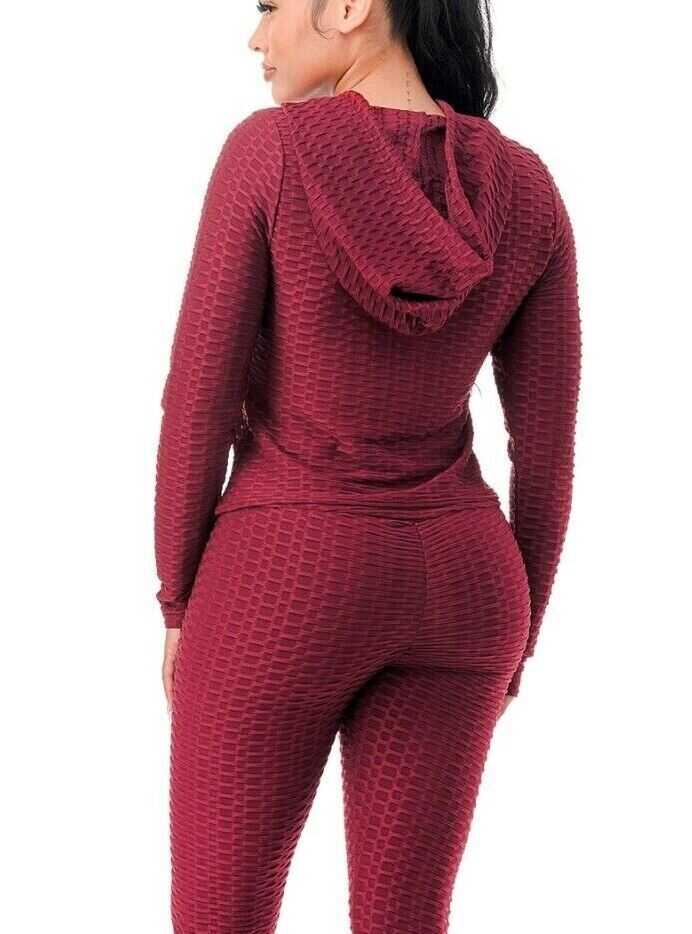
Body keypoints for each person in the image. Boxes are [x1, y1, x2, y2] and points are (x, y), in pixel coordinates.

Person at [153, 0, 582, 930]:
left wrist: (179, 602)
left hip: (284, 579)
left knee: (220, 916)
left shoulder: (271, 153)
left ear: (348, 7)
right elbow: (546, 451)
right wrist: (519, 635)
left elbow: (197, 403)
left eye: (270, 7)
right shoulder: (528, 190)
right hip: (466, 589)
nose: (257, 37)